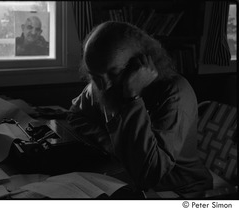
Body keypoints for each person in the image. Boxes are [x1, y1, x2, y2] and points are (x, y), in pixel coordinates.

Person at [66, 21, 213, 195]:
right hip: (127, 179)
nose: (103, 86)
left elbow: (150, 174)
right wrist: (108, 142)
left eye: (114, 74)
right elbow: (75, 115)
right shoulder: (103, 80)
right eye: (94, 76)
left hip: (178, 190)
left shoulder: (175, 93)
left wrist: (132, 99)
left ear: (141, 63)